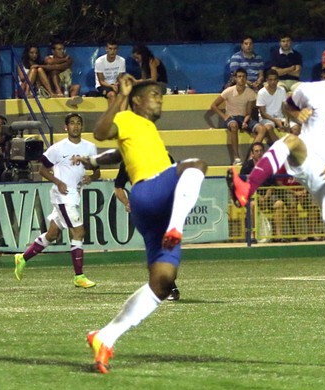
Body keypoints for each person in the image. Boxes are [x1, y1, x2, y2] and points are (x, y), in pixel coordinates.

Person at [227, 36, 325, 344]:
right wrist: (296, 115)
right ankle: (247, 187)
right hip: (308, 159)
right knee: (291, 141)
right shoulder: (308, 89)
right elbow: (289, 106)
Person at [81, 74, 207, 373]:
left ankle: (105, 336)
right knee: (195, 164)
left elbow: (117, 152)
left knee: (162, 282)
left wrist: (95, 162)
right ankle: (177, 227)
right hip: (151, 192)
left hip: (151, 210)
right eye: (154, 94)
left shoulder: (145, 129)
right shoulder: (126, 116)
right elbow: (101, 132)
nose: (160, 98)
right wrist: (119, 97)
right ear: (137, 99)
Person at [13, 113, 100, 288]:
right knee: (78, 231)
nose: (75, 126)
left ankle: (22, 257)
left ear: (82, 126)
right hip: (62, 196)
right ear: (66, 127)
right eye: (72, 123)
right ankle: (79, 276)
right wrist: (58, 182)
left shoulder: (90, 147)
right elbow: (43, 170)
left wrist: (92, 177)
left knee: (53, 234)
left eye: (78, 123)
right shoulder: (58, 148)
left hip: (74, 195)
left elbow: (96, 170)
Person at [113, 160, 181, 301]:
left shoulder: (164, 156)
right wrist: (127, 202)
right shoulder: (128, 161)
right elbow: (118, 187)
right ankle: (170, 286)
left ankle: (169, 284)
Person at [211, 67, 269, 165]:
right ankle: (236, 157)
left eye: (243, 77)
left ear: (246, 79)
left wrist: (246, 121)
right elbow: (213, 105)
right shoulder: (228, 91)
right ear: (235, 78)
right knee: (234, 126)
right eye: (239, 76)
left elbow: (248, 112)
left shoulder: (250, 93)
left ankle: (251, 158)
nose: (241, 79)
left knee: (262, 129)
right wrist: (224, 116)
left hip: (244, 118)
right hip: (231, 118)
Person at [43, 40, 82, 107]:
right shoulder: (48, 58)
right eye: (59, 49)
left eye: (63, 49)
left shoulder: (69, 59)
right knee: (54, 72)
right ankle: (58, 92)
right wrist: (64, 60)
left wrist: (49, 66)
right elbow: (50, 62)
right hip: (54, 87)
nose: (62, 51)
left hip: (66, 87)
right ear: (53, 51)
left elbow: (61, 67)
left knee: (77, 87)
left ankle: (72, 100)